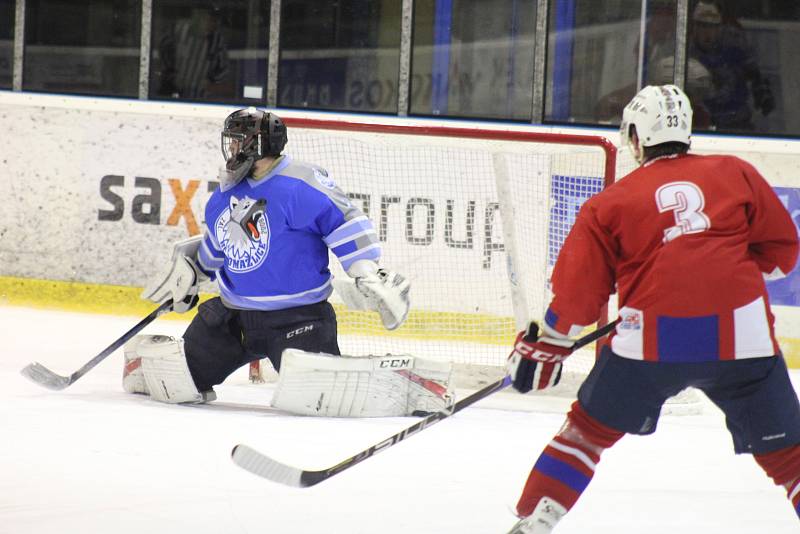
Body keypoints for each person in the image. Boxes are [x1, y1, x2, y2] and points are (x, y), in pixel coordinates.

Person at [505, 85, 800, 533]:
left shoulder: (611, 201)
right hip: (744, 336)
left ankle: (537, 518)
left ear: (636, 137)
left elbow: (578, 298)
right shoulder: (735, 172)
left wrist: (548, 344)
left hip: (651, 342)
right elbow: (782, 255)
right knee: (791, 457)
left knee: (586, 434)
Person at [121, 107, 453, 417]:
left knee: (321, 396)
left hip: (297, 320)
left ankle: (409, 380)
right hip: (232, 318)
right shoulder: (225, 193)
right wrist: (191, 272)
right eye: (231, 141)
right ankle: (146, 360)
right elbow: (217, 245)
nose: (232, 148)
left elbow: (344, 221)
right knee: (176, 382)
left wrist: (366, 270)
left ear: (258, 144)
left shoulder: (299, 183)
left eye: (239, 140)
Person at [688, 0, 774, 131]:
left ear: (720, 27)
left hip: (737, 122)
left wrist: (761, 91)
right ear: (694, 27)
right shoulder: (685, 51)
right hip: (699, 123)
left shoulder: (735, 45)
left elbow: (755, 74)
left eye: (712, 27)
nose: (707, 32)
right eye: (702, 26)